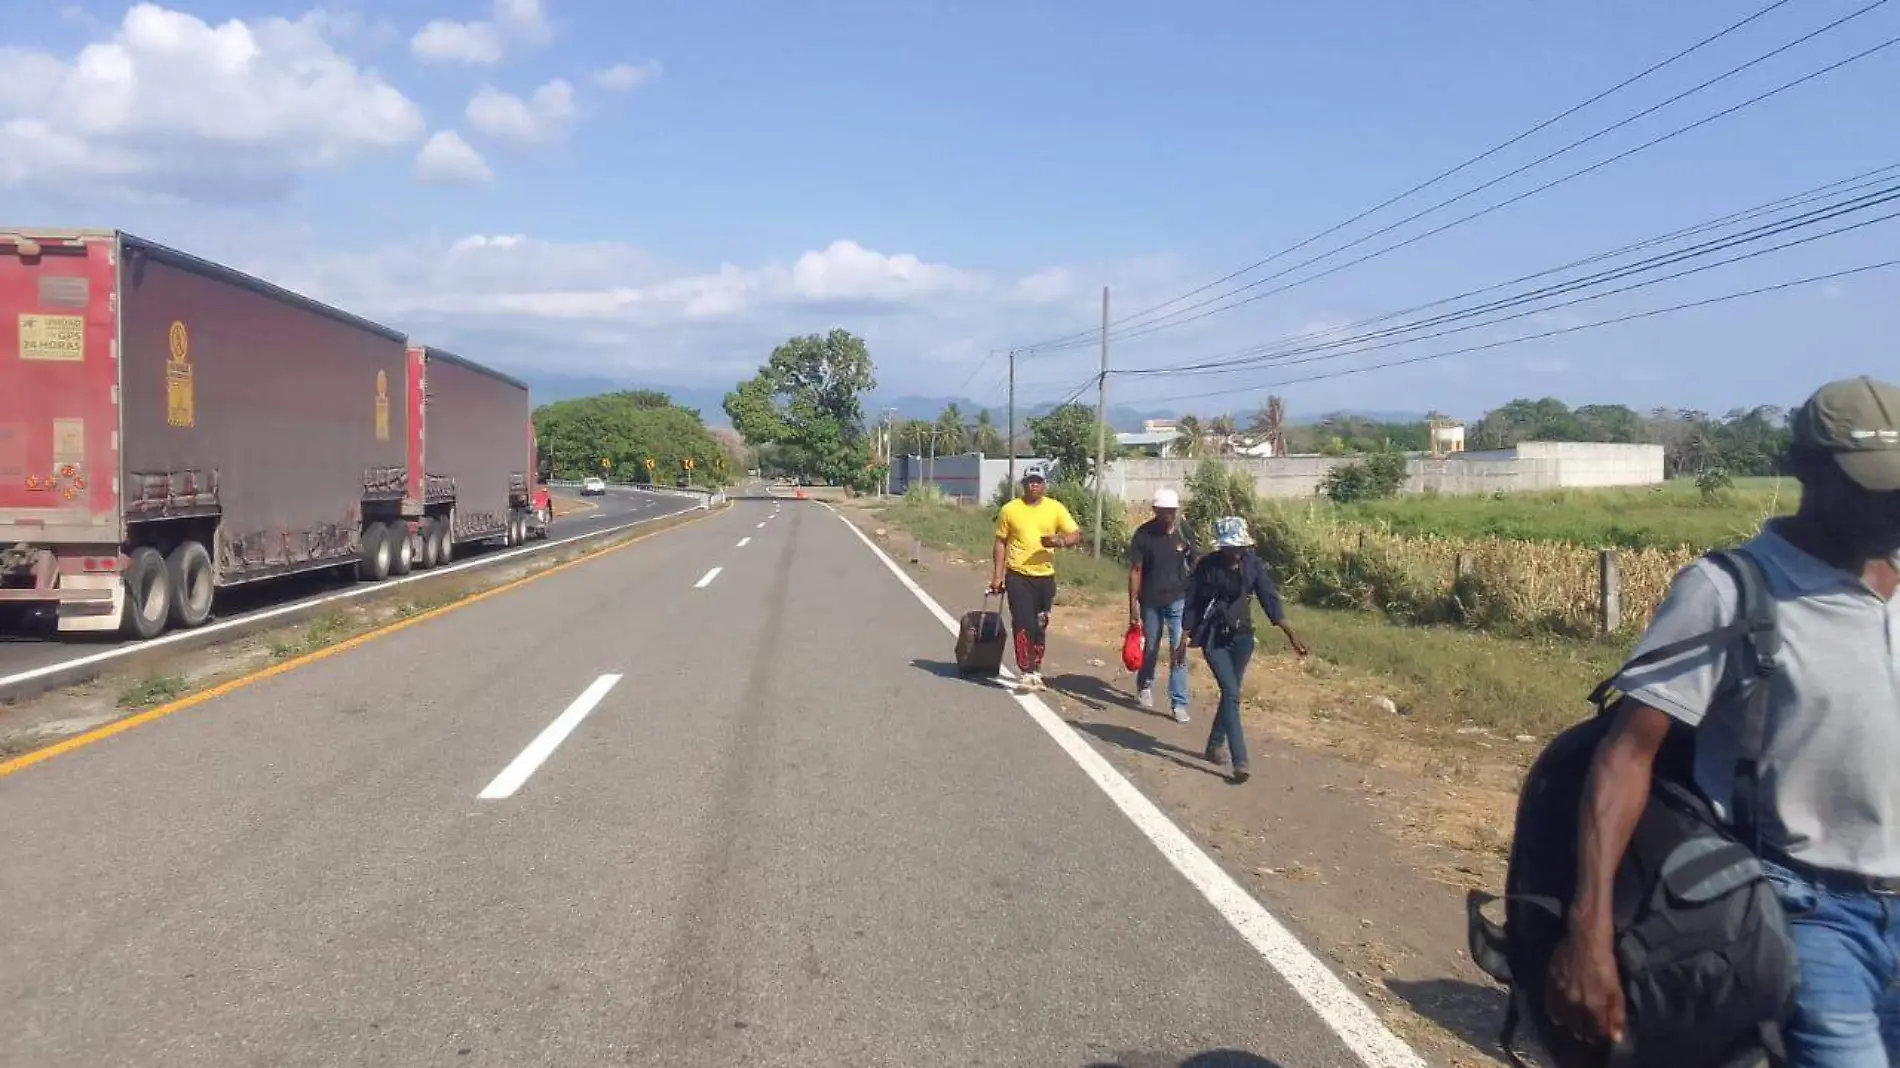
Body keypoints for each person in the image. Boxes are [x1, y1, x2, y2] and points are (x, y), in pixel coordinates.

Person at [1545, 376, 1900, 1068]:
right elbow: (1626, 755)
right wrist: (1588, 928)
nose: (1894, 507)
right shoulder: (1729, 591)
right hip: (1804, 910)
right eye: (1872, 487)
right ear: (1804, 471)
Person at [1178, 516, 1309, 783]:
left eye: (1239, 547)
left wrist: (1290, 633)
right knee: (1231, 693)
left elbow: (1268, 598)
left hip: (1242, 639)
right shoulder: (1207, 567)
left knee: (1231, 694)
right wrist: (1183, 637)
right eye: (1230, 547)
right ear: (1221, 546)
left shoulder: (1252, 565)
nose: (1235, 551)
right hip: (1214, 639)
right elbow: (1192, 603)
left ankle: (1214, 745)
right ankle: (1240, 761)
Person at [989, 470, 1083, 691]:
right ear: (1023, 484)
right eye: (1030, 481)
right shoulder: (1010, 510)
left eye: (1038, 481)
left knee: (1040, 625)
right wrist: (997, 575)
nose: (1034, 485)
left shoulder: (1055, 508)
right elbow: (1000, 542)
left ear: (1044, 485)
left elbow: (1076, 534)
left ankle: (1036, 670)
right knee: (1024, 623)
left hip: (1045, 578)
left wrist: (1059, 541)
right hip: (1018, 575)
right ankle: (1024, 671)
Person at [1126, 487, 1195, 722]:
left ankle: (1179, 702)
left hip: (1178, 599)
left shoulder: (1184, 532)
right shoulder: (1143, 535)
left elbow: (1194, 563)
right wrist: (1133, 605)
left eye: (1172, 511)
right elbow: (1136, 570)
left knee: (1179, 649)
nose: (1168, 516)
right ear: (1155, 510)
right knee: (1152, 647)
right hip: (1151, 601)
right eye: (1164, 511)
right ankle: (1145, 684)